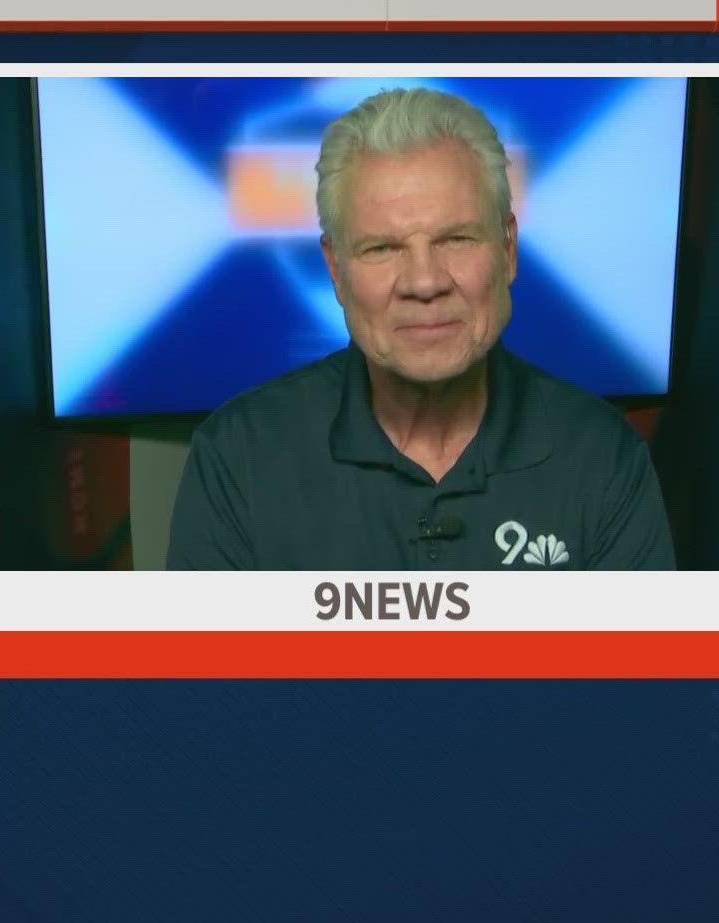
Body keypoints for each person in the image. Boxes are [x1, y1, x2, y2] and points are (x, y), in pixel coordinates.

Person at [167, 87, 675, 571]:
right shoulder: (236, 459)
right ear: (337, 270)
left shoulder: (604, 457)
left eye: (456, 238)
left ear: (507, 250)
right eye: (382, 248)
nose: (425, 282)